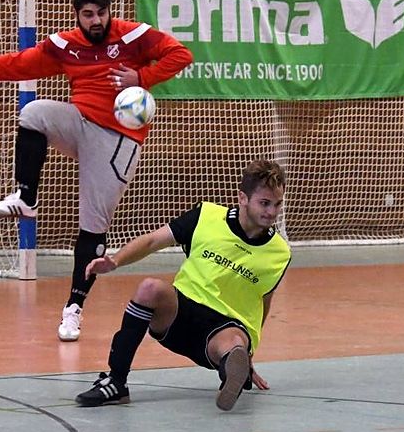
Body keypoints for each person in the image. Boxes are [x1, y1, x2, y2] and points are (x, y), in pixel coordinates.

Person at [0, 0, 193, 342]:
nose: (96, 21)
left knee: (92, 227)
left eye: (101, 13)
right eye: (88, 15)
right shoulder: (65, 45)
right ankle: (26, 198)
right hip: (79, 123)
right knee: (34, 112)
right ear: (77, 15)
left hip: (117, 142)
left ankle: (74, 308)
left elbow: (181, 55)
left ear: (109, 11)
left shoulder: (133, 36)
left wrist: (142, 77)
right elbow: (17, 65)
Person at [74, 160, 290, 412]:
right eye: (264, 203)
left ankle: (233, 371)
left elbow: (263, 301)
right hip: (180, 314)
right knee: (149, 288)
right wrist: (116, 261)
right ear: (243, 198)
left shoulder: (279, 253)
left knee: (234, 344)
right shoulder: (206, 216)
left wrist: (249, 353)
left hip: (225, 327)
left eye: (277, 204)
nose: (272, 212)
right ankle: (116, 382)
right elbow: (153, 240)